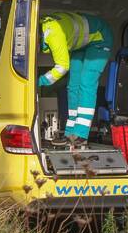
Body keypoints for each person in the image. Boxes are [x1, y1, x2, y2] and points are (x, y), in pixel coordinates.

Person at [38, 11, 113, 143]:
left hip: (100, 38)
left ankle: (81, 133)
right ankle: (70, 133)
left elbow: (62, 67)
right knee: (72, 86)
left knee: (86, 82)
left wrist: (39, 81)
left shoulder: (53, 34)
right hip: (81, 44)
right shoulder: (42, 27)